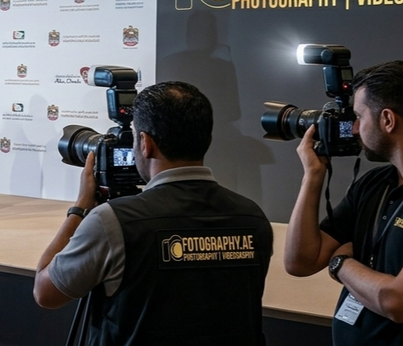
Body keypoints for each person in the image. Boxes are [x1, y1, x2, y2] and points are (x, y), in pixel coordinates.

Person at [34, 81, 272, 344]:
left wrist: (79, 209)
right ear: (208, 140)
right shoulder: (253, 217)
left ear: (145, 143)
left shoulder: (113, 221)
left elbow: (46, 293)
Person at [285, 60, 403, 344]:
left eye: (359, 117)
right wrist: (313, 176)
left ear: (387, 120)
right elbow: (301, 261)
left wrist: (341, 263)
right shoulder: (375, 184)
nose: (354, 129)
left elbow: (396, 301)